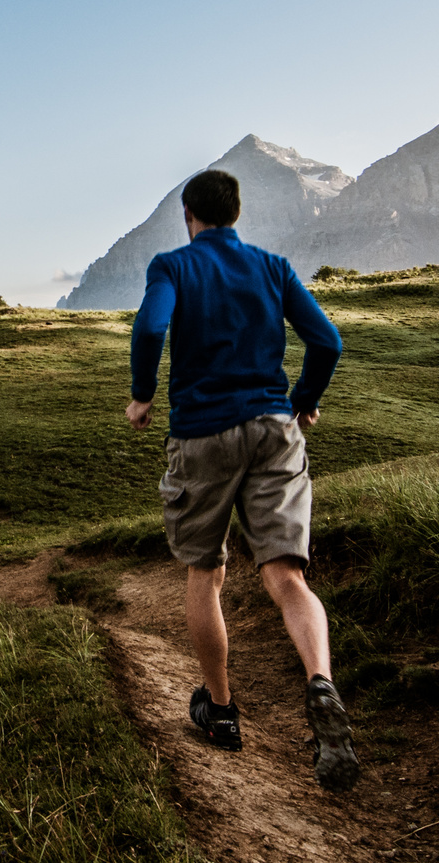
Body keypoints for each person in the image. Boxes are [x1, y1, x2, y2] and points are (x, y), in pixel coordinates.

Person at [124, 169, 358, 792]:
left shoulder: (172, 267)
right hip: (274, 427)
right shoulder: (273, 266)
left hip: (202, 434)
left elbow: (149, 330)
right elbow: (326, 340)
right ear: (236, 212)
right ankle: (319, 681)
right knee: (287, 575)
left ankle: (222, 711)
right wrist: (304, 398)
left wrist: (143, 396)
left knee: (207, 573)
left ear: (187, 214)